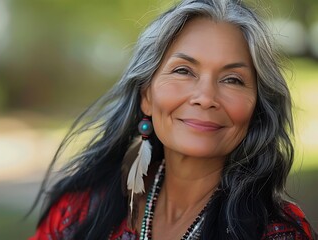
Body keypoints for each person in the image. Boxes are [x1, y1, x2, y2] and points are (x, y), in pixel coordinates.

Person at [29, 0, 316, 239]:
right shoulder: (78, 211)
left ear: (257, 107)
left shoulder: (278, 233)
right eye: (183, 71)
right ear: (147, 96)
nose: (205, 97)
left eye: (232, 79)